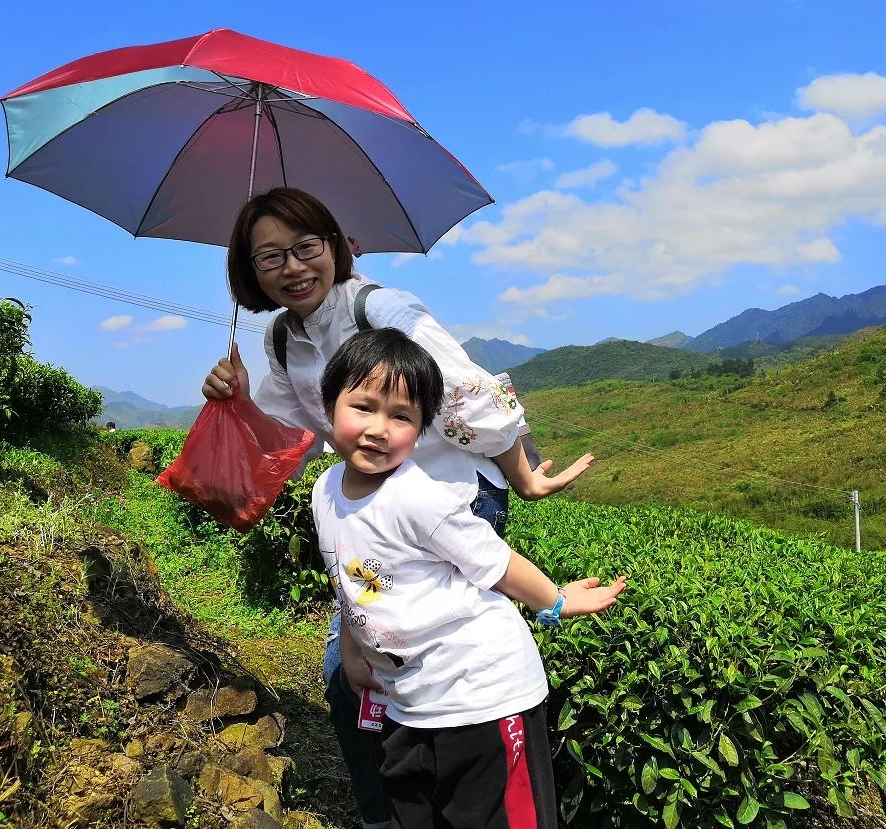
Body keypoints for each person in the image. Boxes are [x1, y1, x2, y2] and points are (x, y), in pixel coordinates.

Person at [200, 187, 595, 828]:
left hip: (446, 495)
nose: (293, 268)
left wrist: (521, 473)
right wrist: (235, 402)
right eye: (270, 256)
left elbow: (471, 396)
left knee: (430, 651)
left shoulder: (384, 309)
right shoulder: (283, 338)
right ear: (249, 271)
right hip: (371, 504)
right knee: (356, 665)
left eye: (306, 247)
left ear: (336, 247)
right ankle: (396, 807)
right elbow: (289, 438)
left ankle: (465, 784)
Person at [313, 327, 628, 828]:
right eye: (364, 407)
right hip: (408, 701)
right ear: (329, 406)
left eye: (402, 416)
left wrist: (556, 601)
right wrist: (353, 652)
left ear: (420, 432)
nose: (379, 428)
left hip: (482, 696)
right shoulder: (325, 489)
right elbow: (351, 577)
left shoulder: (419, 498)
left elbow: (496, 562)